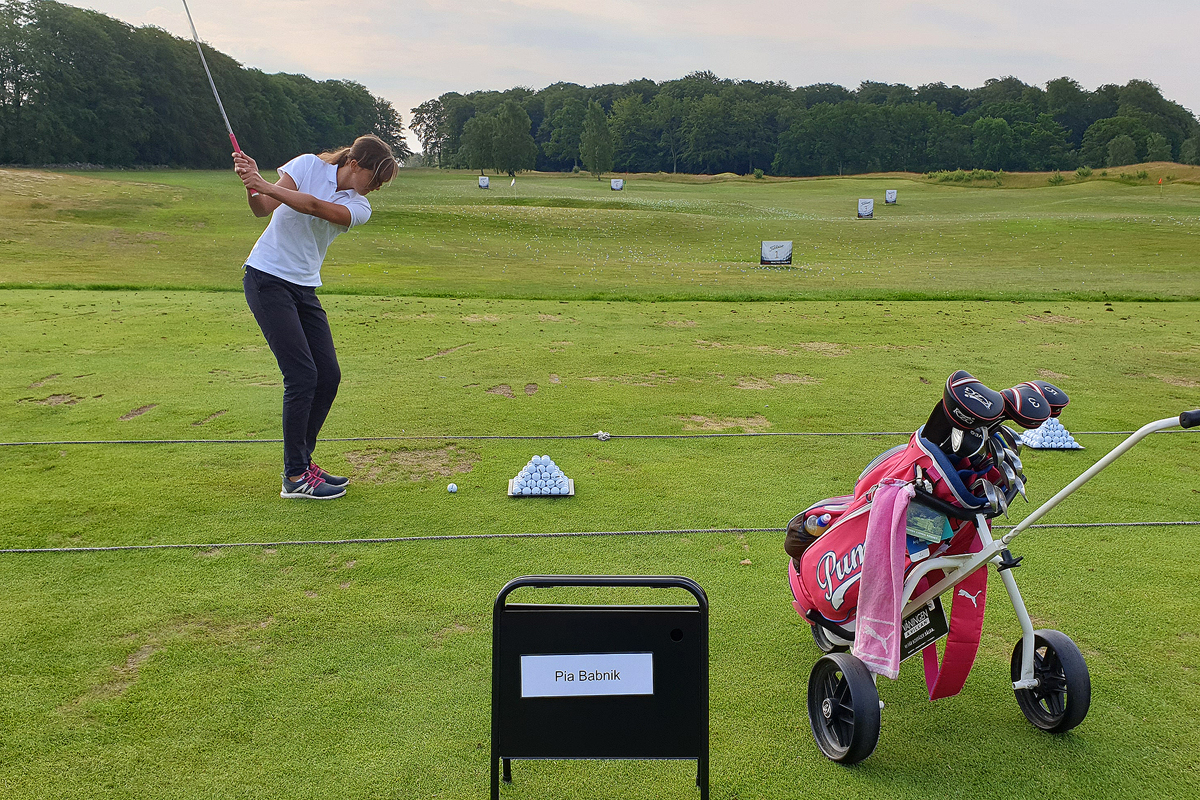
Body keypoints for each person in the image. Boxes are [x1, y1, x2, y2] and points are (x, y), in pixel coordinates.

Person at [233, 134, 397, 499]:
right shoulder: (307, 165)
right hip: (266, 278)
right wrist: (252, 185)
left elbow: (313, 207)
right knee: (302, 375)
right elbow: (262, 208)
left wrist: (264, 184)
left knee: (328, 376)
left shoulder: (359, 206)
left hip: (303, 288)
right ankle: (295, 476)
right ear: (354, 164)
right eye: (375, 178)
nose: (376, 187)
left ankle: (302, 462)